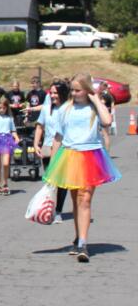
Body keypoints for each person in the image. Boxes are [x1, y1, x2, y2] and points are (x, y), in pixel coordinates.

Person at [43, 73, 121, 262]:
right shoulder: (65, 109)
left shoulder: (95, 107)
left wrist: (95, 98)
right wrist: (52, 168)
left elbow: (108, 121)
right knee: (76, 198)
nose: (74, 93)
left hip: (91, 155)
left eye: (78, 90)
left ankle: (83, 244)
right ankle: (79, 236)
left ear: (87, 90)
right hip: (70, 155)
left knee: (85, 198)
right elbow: (58, 138)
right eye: (73, 90)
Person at [34, 80, 70, 224]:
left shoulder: (68, 108)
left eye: (55, 93)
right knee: (50, 181)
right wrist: (36, 143)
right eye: (51, 92)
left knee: (61, 182)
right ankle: (49, 209)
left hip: (65, 149)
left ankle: (58, 211)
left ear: (62, 93)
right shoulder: (46, 108)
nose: (53, 95)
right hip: (48, 147)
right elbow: (40, 126)